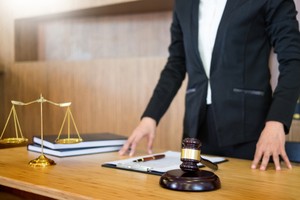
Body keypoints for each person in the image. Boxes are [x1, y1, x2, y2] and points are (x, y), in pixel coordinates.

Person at [119, 0, 300, 171]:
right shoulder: (183, 3)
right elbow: (176, 64)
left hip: (251, 131)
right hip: (196, 131)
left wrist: (277, 122)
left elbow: (293, 61)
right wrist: (150, 117)